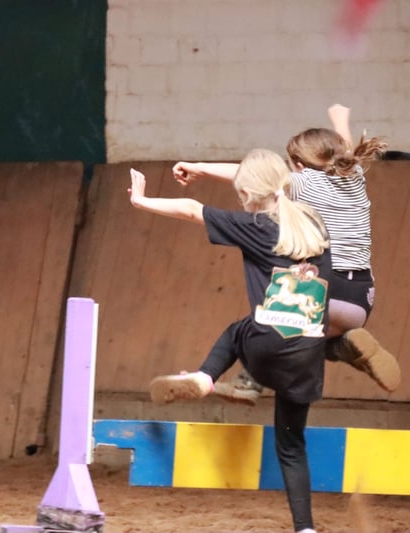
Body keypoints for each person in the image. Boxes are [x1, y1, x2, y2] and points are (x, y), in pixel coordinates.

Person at [129, 148, 330, 533]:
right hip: (308, 353)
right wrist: (201, 169)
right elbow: (261, 175)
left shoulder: (256, 225)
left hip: (265, 345)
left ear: (247, 194)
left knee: (239, 330)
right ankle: (305, 528)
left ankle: (208, 377)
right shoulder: (313, 222)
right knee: (291, 446)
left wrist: (142, 200)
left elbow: (192, 209)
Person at [172, 104, 400, 404]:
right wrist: (340, 119)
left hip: (322, 293)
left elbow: (250, 175)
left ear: (299, 165)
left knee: (264, 330)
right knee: (310, 341)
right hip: (360, 300)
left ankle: (248, 382)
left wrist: (200, 167)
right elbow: (345, 151)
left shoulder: (302, 183)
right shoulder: (354, 176)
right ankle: (347, 345)